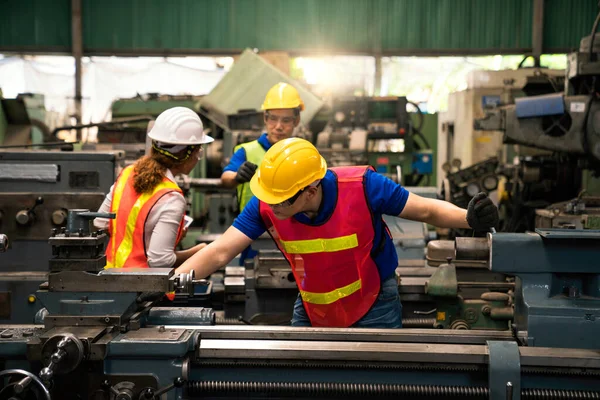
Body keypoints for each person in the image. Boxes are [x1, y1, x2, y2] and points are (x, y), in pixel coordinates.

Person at [177, 138, 499, 328]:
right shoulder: (269, 202)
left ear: (310, 189)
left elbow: (425, 210)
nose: (271, 207)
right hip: (312, 303)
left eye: (280, 200)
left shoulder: (363, 186)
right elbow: (220, 251)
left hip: (374, 301)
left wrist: (469, 218)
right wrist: (165, 286)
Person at [94, 107, 212, 270]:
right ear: (188, 154)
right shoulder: (172, 198)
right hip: (142, 287)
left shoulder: (128, 173)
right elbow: (159, 261)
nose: (198, 158)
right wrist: (197, 252)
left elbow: (100, 222)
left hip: (109, 276)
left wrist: (139, 238)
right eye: (199, 152)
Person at [220, 82, 305, 264]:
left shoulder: (303, 152)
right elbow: (226, 178)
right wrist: (237, 176)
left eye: (286, 120)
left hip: (294, 235)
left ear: (296, 121)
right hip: (253, 233)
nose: (278, 126)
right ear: (265, 119)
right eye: (273, 119)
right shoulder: (246, 151)